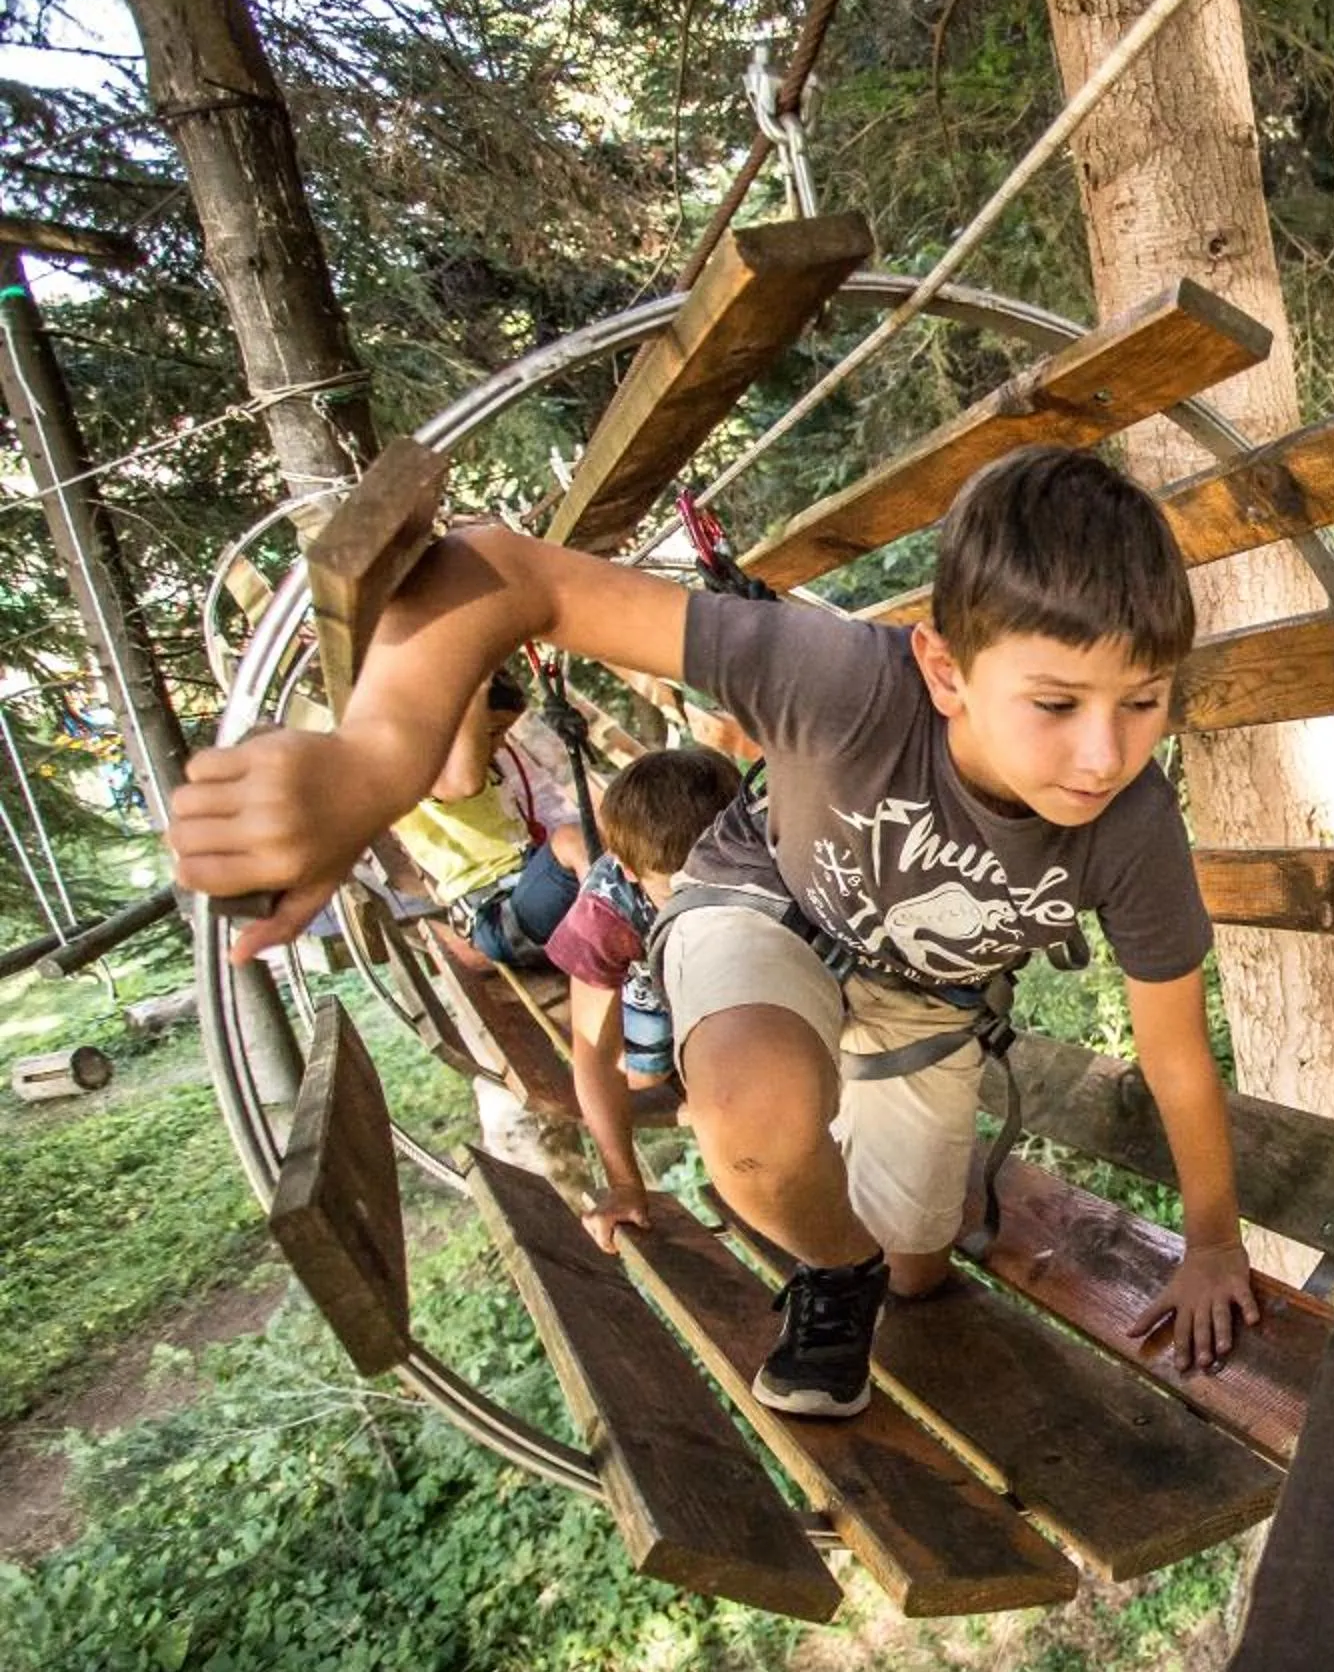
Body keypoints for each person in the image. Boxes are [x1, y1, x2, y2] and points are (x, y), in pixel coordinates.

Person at [168, 446, 1263, 1419]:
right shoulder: (841, 682)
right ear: (945, 671)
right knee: (754, 1125)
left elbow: (1174, 1051)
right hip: (768, 901)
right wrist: (375, 765)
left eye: (1143, 702)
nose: (1103, 755)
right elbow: (504, 570)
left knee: (921, 1266)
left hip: (927, 997)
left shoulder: (1132, 830)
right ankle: (833, 1268)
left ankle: (874, 1249)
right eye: (1057, 703)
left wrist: (1214, 1241)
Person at [542, 744, 744, 1256]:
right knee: (647, 1076)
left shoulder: (763, 856)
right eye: (678, 894)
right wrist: (624, 1183)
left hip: (738, 966)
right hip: (652, 972)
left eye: (717, 882)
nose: (699, 903)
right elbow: (596, 1053)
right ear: (628, 870)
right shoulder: (606, 915)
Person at [392, 669, 589, 970]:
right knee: (571, 840)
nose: (500, 745)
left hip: (526, 890)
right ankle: (613, 921)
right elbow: (465, 784)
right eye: (492, 732)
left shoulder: (482, 769)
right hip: (500, 914)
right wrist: (474, 684)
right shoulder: (420, 769)